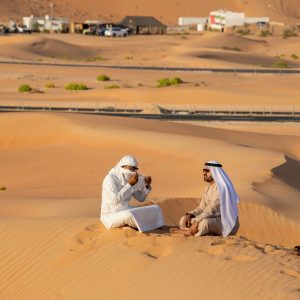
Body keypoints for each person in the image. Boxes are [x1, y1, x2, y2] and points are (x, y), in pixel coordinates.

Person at [171, 160, 239, 237]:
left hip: (226, 222)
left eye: (207, 171)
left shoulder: (222, 188)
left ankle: (189, 232)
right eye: (203, 170)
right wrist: (190, 215)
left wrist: (197, 221)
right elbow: (202, 208)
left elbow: (212, 209)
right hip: (211, 218)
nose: (204, 173)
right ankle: (197, 232)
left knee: (205, 223)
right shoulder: (208, 188)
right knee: (183, 219)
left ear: (214, 172)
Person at [101, 155, 164, 232]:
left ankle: (141, 225)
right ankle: (145, 226)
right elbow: (115, 200)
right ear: (123, 166)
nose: (134, 171)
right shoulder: (110, 179)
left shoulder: (128, 178)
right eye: (132, 168)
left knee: (156, 208)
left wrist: (147, 186)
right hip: (111, 215)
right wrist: (130, 185)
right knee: (129, 215)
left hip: (126, 209)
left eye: (135, 169)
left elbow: (141, 198)